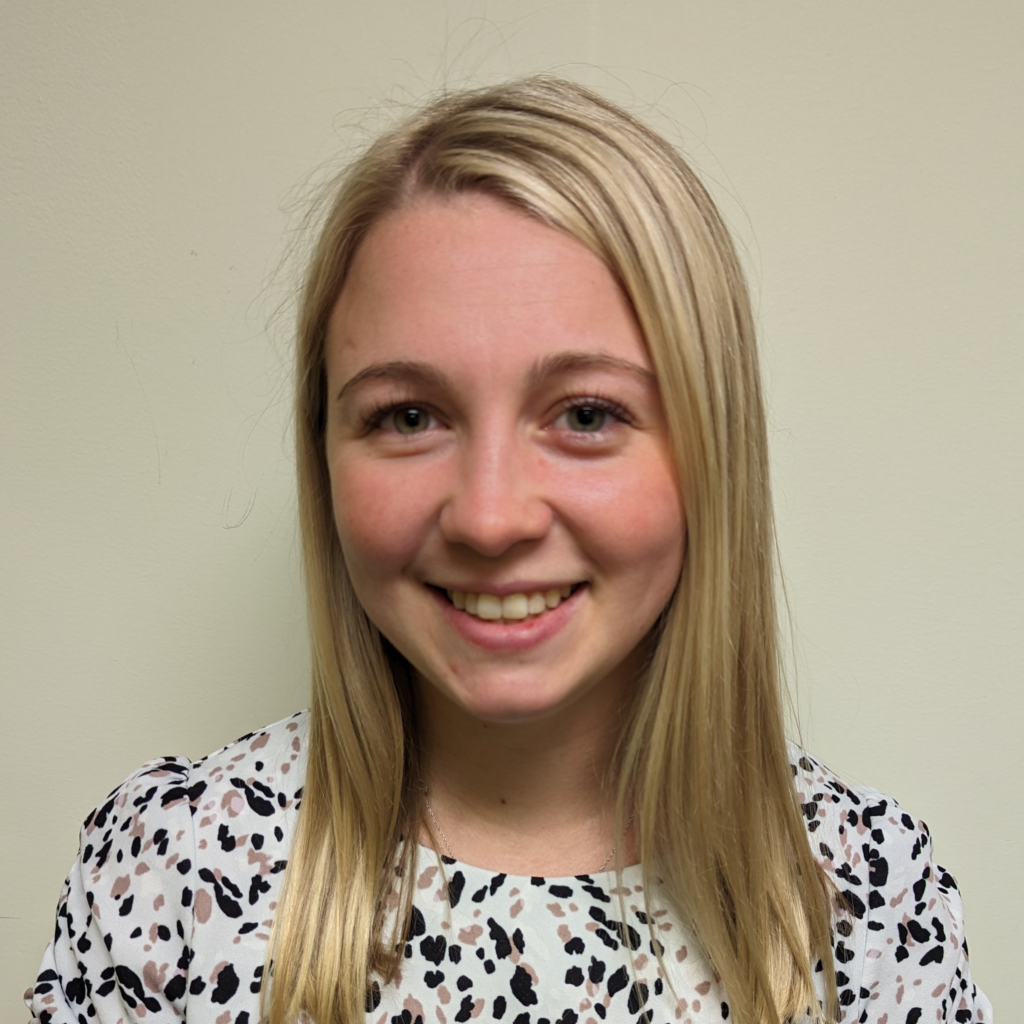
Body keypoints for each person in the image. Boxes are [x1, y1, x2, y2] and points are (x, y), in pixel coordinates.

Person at [26, 76, 991, 1024]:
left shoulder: (867, 899)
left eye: (585, 414)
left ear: (714, 453)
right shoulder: (168, 874)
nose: (489, 519)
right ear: (320, 453)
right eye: (408, 415)